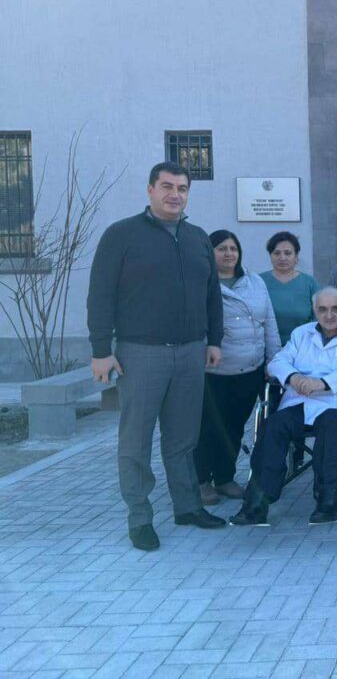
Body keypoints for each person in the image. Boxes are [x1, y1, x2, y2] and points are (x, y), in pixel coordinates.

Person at [87, 162, 226, 551]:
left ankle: (187, 506)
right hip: (140, 353)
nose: (174, 195)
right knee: (136, 441)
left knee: (183, 439)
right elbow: (100, 294)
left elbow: (212, 294)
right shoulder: (121, 235)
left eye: (182, 188)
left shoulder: (198, 238)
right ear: (150, 190)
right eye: (166, 186)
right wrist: (101, 351)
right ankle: (139, 517)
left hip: (190, 352)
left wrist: (214, 340)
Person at [230, 287, 337, 526]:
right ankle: (256, 503)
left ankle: (328, 501)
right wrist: (294, 377)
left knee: (331, 427)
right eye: (322, 309)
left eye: (336, 309)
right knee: (273, 426)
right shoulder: (301, 334)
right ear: (315, 311)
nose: (329, 315)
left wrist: (322, 383)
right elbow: (278, 361)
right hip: (299, 401)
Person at [195, 230, 281, 506]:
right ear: (210, 253)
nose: (229, 253)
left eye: (233, 248)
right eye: (222, 248)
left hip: (250, 370)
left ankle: (224, 477)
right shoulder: (201, 284)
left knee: (233, 427)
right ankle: (202, 481)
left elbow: (269, 323)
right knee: (208, 428)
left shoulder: (254, 281)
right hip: (215, 371)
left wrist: (273, 360)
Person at [261, 231, 318, 348]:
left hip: (303, 348)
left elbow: (318, 317)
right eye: (277, 253)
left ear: (296, 256)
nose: (282, 258)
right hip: (266, 349)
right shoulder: (259, 282)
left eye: (288, 253)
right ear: (270, 256)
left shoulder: (310, 283)